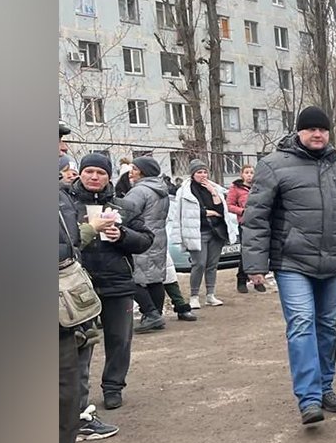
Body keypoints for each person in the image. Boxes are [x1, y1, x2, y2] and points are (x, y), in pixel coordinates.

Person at [243, 106, 336, 425]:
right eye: (311, 129)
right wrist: (254, 264)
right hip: (292, 262)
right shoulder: (274, 166)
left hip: (334, 262)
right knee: (302, 323)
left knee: (327, 327)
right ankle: (309, 398)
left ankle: (325, 387)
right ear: (299, 132)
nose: (317, 134)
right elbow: (256, 218)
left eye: (322, 129)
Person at [64, 154, 154, 412]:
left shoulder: (124, 206)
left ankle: (113, 388)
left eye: (100, 173)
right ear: (80, 173)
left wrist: (122, 235)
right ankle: (77, 396)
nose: (94, 177)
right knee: (79, 343)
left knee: (119, 340)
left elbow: (146, 240)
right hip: (78, 287)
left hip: (118, 284)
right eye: (89, 171)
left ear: (109, 176)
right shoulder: (66, 206)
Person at [59, 185, 115, 443]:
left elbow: (67, 243)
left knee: (65, 403)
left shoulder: (58, 193)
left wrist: (90, 230)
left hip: (62, 306)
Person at [120, 156, 171, 333]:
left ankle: (150, 314)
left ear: (142, 171)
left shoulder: (139, 191)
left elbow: (125, 214)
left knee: (133, 277)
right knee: (154, 278)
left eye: (133, 168)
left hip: (140, 236)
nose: (130, 172)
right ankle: (155, 314)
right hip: (158, 236)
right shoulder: (160, 189)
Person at [175, 160, 233, 308]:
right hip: (197, 232)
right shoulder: (185, 191)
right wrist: (207, 212)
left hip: (216, 232)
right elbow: (184, 213)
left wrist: (213, 192)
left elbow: (220, 210)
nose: (203, 175)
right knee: (199, 264)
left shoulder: (214, 188)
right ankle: (194, 296)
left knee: (212, 265)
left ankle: (210, 295)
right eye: (199, 172)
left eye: (205, 172)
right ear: (192, 174)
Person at [227, 165, 266, 294]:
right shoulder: (235, 188)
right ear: (242, 174)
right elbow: (229, 205)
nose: (250, 175)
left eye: (252, 172)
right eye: (247, 172)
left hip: (260, 222)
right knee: (246, 252)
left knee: (260, 252)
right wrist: (243, 211)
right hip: (245, 223)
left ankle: (258, 281)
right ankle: (241, 280)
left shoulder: (259, 187)